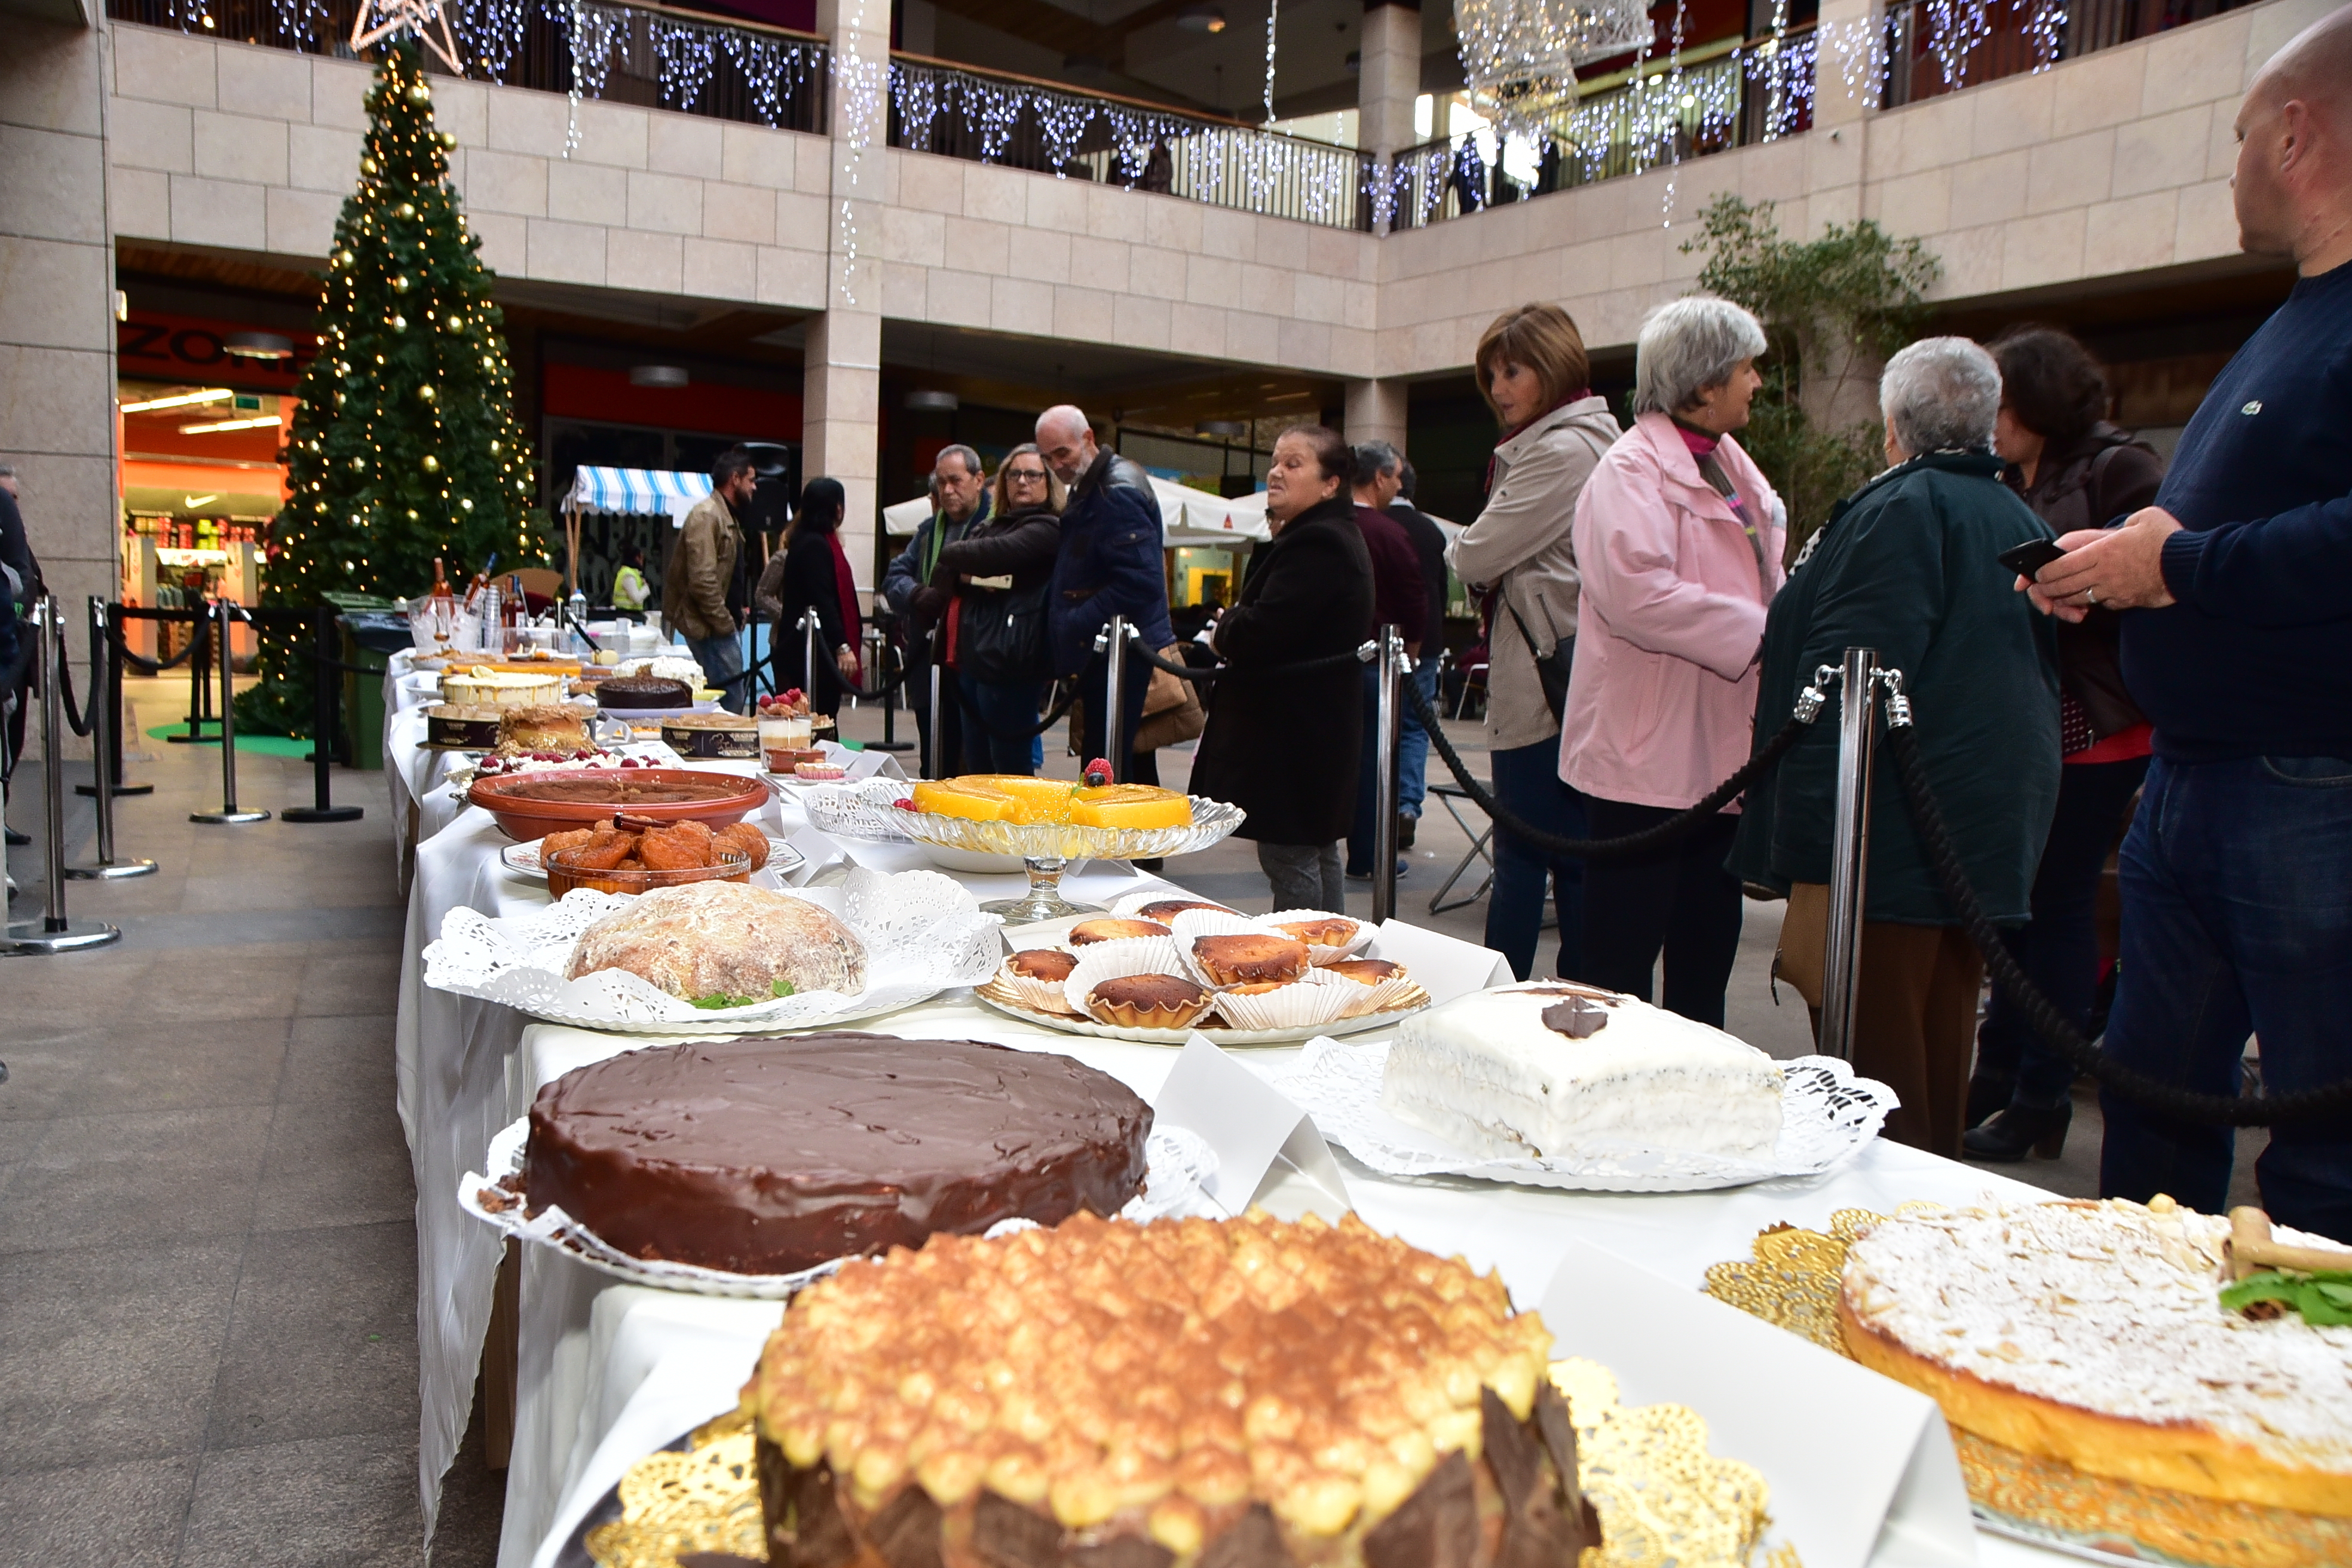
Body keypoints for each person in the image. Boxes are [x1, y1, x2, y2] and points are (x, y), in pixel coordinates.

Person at [2021, 7, 2352, 1241]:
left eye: (2238, 137)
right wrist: (2113, 565)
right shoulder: (2290, 319)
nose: (2228, 165)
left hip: (2307, 783)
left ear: (2298, 135)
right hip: (2195, 781)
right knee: (2154, 1116)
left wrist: (2182, 567)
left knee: (2321, 1151)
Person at [1735, 338, 2060, 1158]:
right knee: (1933, 1067)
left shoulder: (1900, 511)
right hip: (1966, 839)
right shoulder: (2016, 514)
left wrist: (1802, 850)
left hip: (1884, 846)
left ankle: (1882, 1243)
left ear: (1892, 428)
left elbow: (1846, 689)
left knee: (1876, 1091)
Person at [1962, 326, 2166, 1162]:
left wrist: (2074, 581)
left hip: (2100, 722)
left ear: (2038, 398)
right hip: (2028, 716)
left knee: (2059, 905)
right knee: (2016, 909)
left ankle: (2043, 1091)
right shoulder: (2009, 474)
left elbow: (2152, 582)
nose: (1993, 420)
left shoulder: (2124, 467)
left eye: (2003, 402)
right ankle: (2000, 1074)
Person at [1563, 295, 1784, 1025]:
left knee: (1705, 954)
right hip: (1645, 760)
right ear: (1702, 380)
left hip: (1721, 758)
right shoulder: (1628, 470)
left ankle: (1695, 1106)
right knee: (1619, 966)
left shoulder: (1729, 464)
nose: (1757, 382)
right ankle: (1604, 1112)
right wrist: (1764, 631)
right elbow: (1638, 593)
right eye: (1747, 367)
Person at [1447, 303, 1621, 982]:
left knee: (1528, 860)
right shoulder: (1585, 438)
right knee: (1571, 859)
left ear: (1552, 367)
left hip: (1547, 680)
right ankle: (1578, 1001)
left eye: (1513, 370)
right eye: (1493, 372)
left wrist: (1467, 545)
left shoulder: (1559, 449)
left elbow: (1474, 555)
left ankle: (1500, 1008)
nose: (1499, 388)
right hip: (1571, 677)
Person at [1189, 427, 1373, 912]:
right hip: (1308, 729)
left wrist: (1227, 625)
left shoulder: (1319, 542)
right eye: (1275, 461)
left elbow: (1262, 631)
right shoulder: (1323, 535)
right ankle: (1328, 953)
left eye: (1293, 463)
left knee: (1292, 857)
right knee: (1313, 851)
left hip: (1295, 734)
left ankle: (1301, 959)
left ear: (1331, 483)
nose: (1276, 471)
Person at [1037, 405, 1172, 781]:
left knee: (1108, 766)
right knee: (1123, 761)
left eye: (1062, 453)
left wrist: (1075, 622)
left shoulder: (1114, 491)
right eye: (1048, 458)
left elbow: (1141, 581)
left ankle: (1119, 838)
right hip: (1112, 646)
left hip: (1119, 649)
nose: (1056, 465)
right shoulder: (1098, 485)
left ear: (1088, 439)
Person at [932, 445, 1062, 774]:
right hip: (973, 659)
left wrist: (972, 571)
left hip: (1013, 661)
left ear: (1049, 481)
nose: (1022, 482)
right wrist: (984, 576)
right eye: (1014, 474)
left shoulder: (1049, 527)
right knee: (976, 767)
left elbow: (996, 553)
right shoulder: (991, 525)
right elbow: (943, 572)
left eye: (1033, 474)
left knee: (1010, 769)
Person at [1343, 443, 1428, 883]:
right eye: (1396, 477)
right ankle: (1368, 854)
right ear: (1379, 478)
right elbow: (1414, 600)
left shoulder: (1331, 525)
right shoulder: (1389, 533)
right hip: (1374, 663)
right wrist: (1408, 655)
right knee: (1375, 763)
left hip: (1330, 663)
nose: (1399, 485)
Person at [884, 447, 990, 773]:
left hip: (977, 661)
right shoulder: (930, 530)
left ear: (978, 480)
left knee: (978, 767)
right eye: (941, 482)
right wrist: (917, 594)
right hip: (929, 663)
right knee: (934, 763)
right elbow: (894, 576)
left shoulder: (995, 524)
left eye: (956, 481)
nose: (947, 490)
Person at [754, 477, 863, 718]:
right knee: (818, 717)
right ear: (837, 508)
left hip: (808, 647)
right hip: (808, 651)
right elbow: (822, 600)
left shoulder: (813, 541)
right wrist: (842, 645)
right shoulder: (814, 545)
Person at [1388, 458, 1451, 848]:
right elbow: (1439, 593)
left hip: (1376, 646)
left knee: (1375, 730)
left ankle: (1371, 812)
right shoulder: (1431, 530)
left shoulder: (1371, 526)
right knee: (1414, 729)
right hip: (1425, 644)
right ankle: (1407, 807)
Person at [663, 448, 752, 711]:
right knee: (729, 703)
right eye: (751, 480)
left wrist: (735, 613)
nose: (754, 488)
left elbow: (728, 575)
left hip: (715, 625)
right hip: (709, 628)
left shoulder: (723, 516)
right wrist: (725, 623)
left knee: (730, 700)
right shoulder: (707, 515)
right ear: (735, 479)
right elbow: (703, 581)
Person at [610, 542, 651, 611]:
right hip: (627, 615)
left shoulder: (632, 573)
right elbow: (637, 598)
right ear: (637, 558)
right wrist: (646, 588)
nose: (643, 561)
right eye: (642, 558)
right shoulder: (628, 574)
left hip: (630, 614)